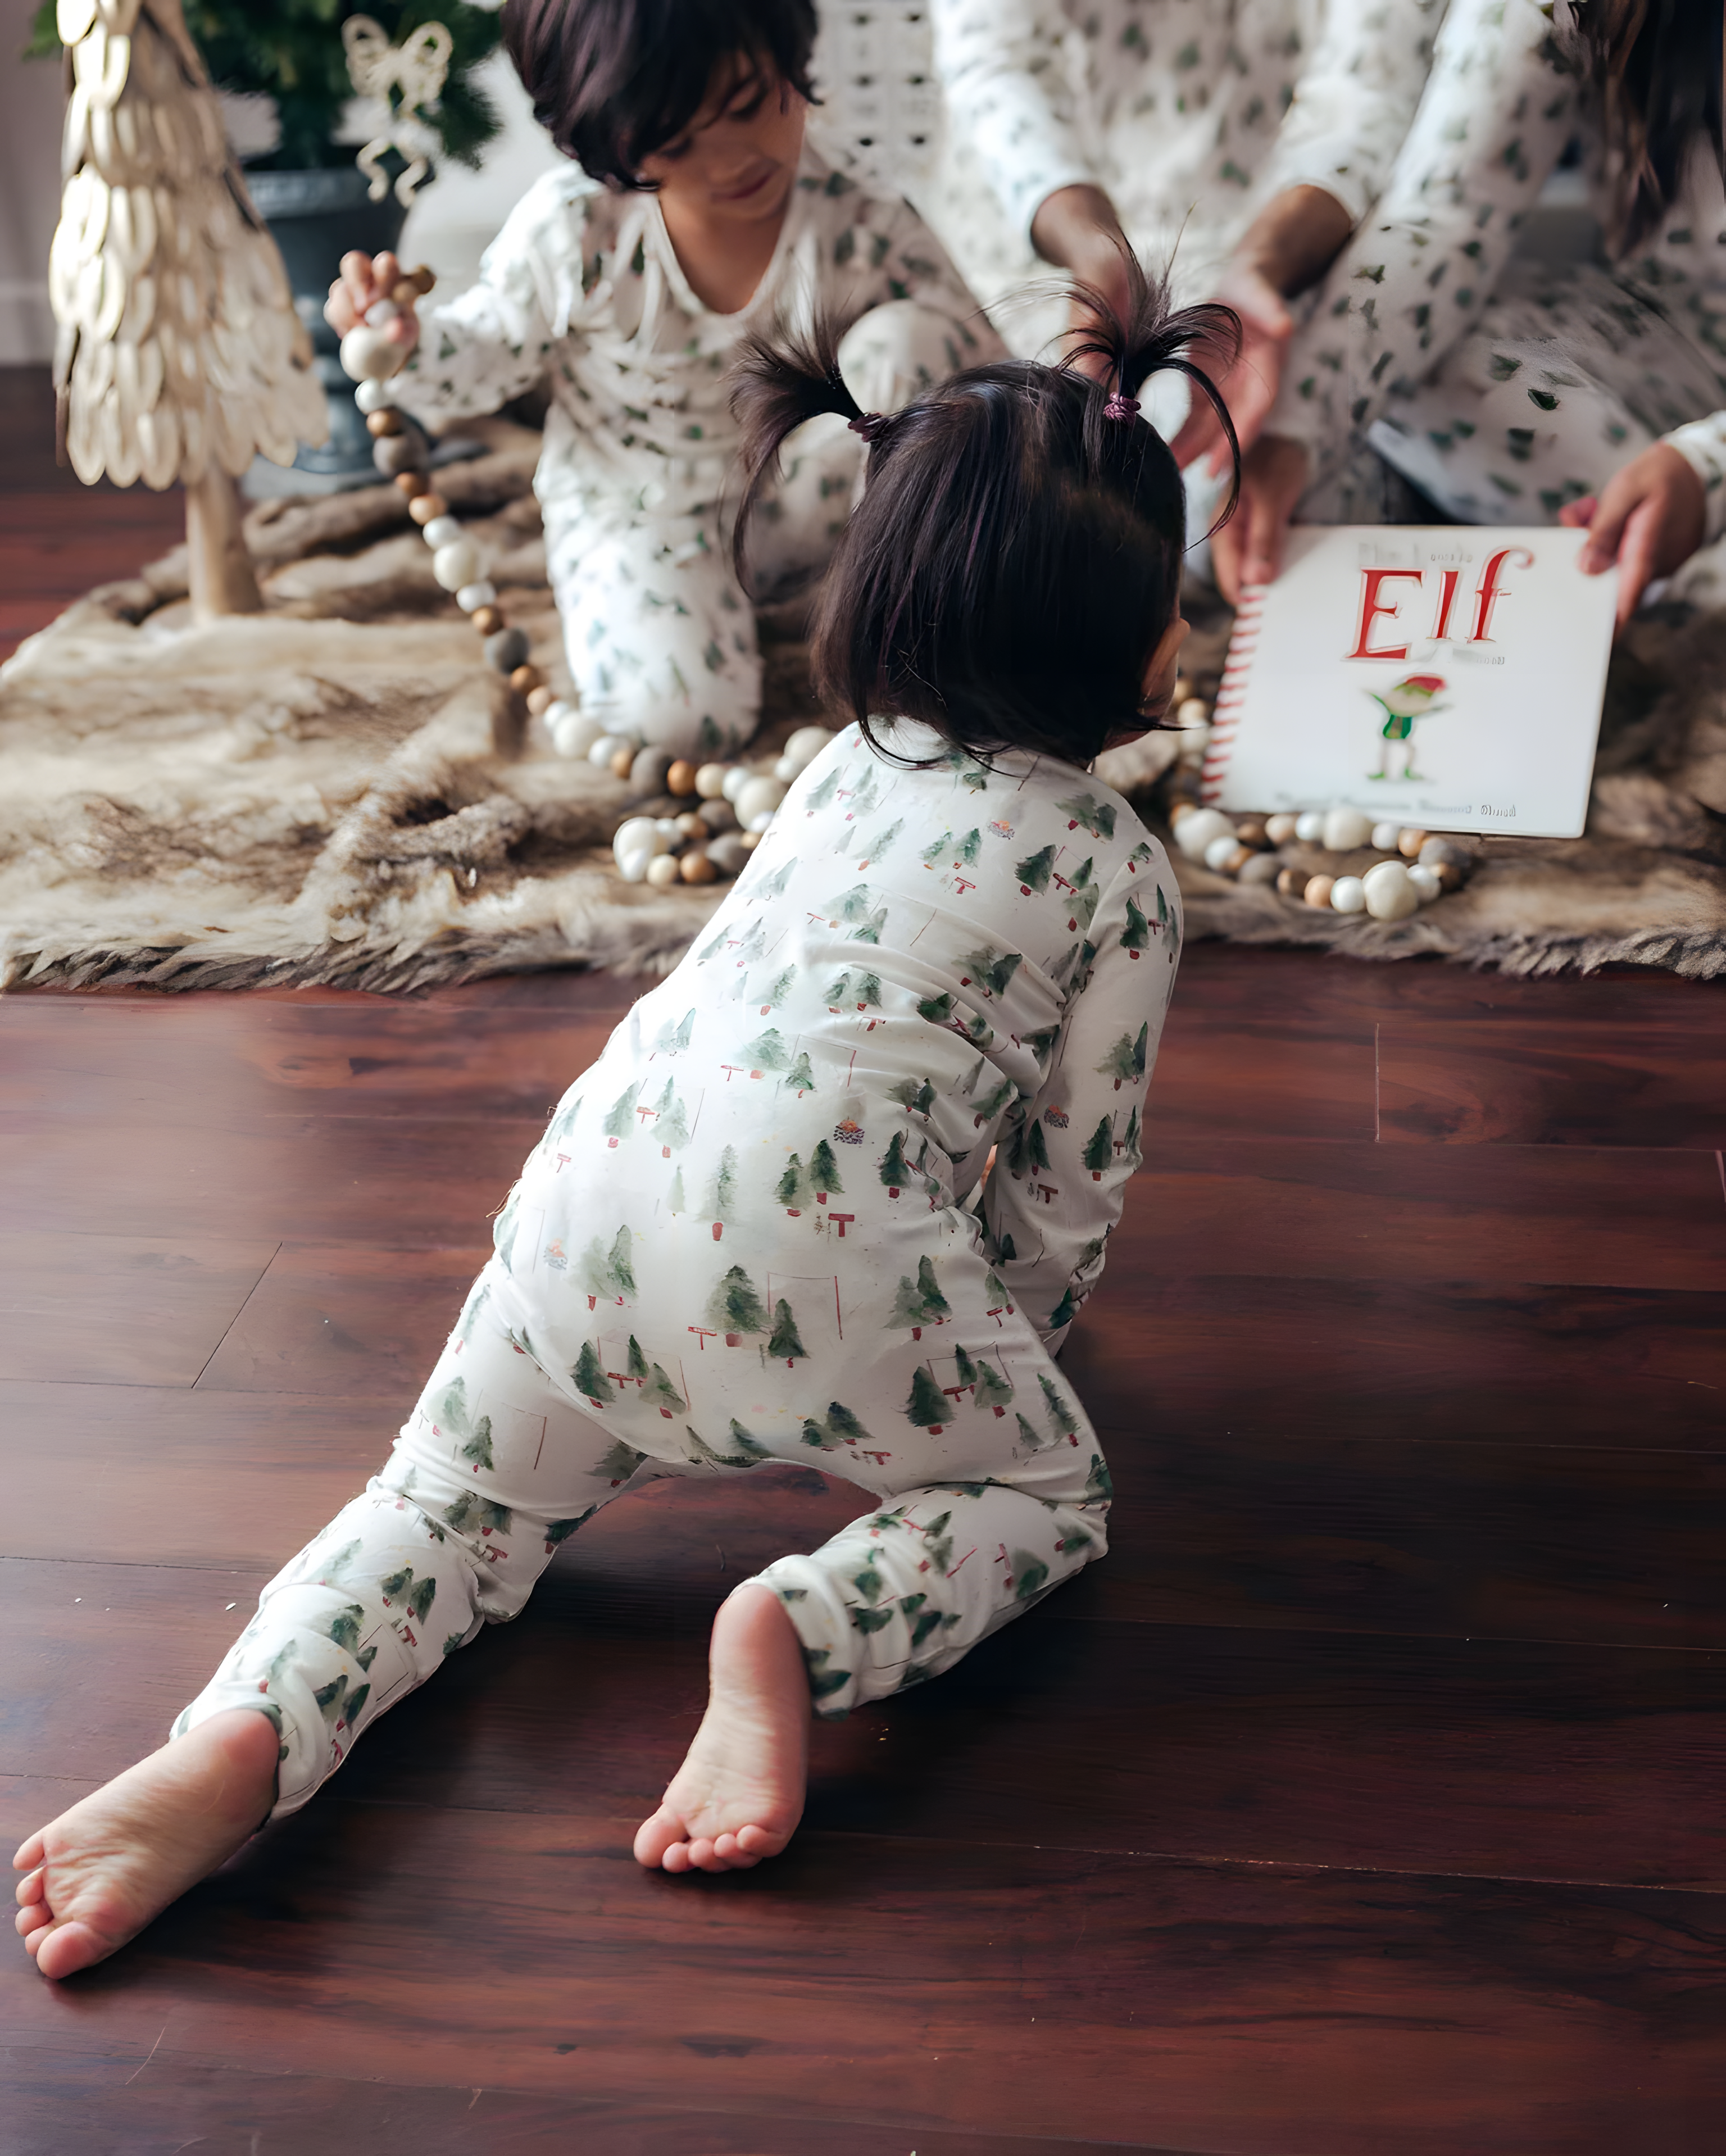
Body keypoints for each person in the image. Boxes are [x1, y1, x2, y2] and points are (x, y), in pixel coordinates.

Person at [13, 259, 1239, 1980]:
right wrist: (999, 1365)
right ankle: (798, 1628)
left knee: (444, 1499)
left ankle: (238, 1736)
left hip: (583, 1213)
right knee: (1046, 1487)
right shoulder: (1113, 863)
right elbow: (1065, 1180)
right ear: (1139, 644)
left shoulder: (837, 766)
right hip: (833, 1272)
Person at [326, 0, 998, 761]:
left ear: (794, 57)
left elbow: (982, 361)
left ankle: (855, 610)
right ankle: (708, 622)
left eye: (749, 105)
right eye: (677, 141)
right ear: (605, 138)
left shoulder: (858, 210)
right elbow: (487, 352)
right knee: (680, 726)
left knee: (917, 341)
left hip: (807, 507)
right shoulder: (576, 229)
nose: (732, 157)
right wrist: (405, 340)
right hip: (641, 514)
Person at [1220, 0, 1726, 622]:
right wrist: (1293, 430)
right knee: (1394, 346)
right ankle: (1656, 553)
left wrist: (1709, 468)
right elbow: (1452, 209)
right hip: (1673, 342)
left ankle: (1677, 575)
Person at [930, 0, 1443, 474]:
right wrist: (1091, 245)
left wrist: (1262, 261)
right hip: (1033, 248)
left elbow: (1366, 89)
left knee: (1207, 462)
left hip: (1277, 245)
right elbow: (992, 65)